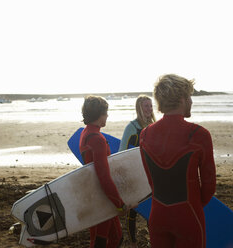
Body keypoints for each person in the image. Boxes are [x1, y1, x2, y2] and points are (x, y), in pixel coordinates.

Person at [139, 74, 216, 248]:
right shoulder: (199, 135)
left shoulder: (145, 134)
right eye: (189, 97)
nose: (191, 101)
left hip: (157, 215)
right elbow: (209, 186)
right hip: (188, 215)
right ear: (182, 99)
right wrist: (192, 205)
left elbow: (151, 181)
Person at [80, 95, 128, 248]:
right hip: (101, 197)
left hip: (96, 194)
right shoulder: (97, 139)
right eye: (105, 112)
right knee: (100, 242)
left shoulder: (86, 132)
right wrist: (119, 204)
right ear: (99, 115)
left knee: (116, 237)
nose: (107, 115)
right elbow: (103, 176)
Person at [118, 95, 156, 248]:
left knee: (151, 210)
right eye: (146, 106)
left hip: (150, 176)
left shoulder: (154, 125)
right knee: (133, 211)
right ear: (139, 108)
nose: (149, 109)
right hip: (134, 176)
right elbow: (121, 152)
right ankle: (133, 243)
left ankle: (154, 240)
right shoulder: (132, 127)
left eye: (151, 106)